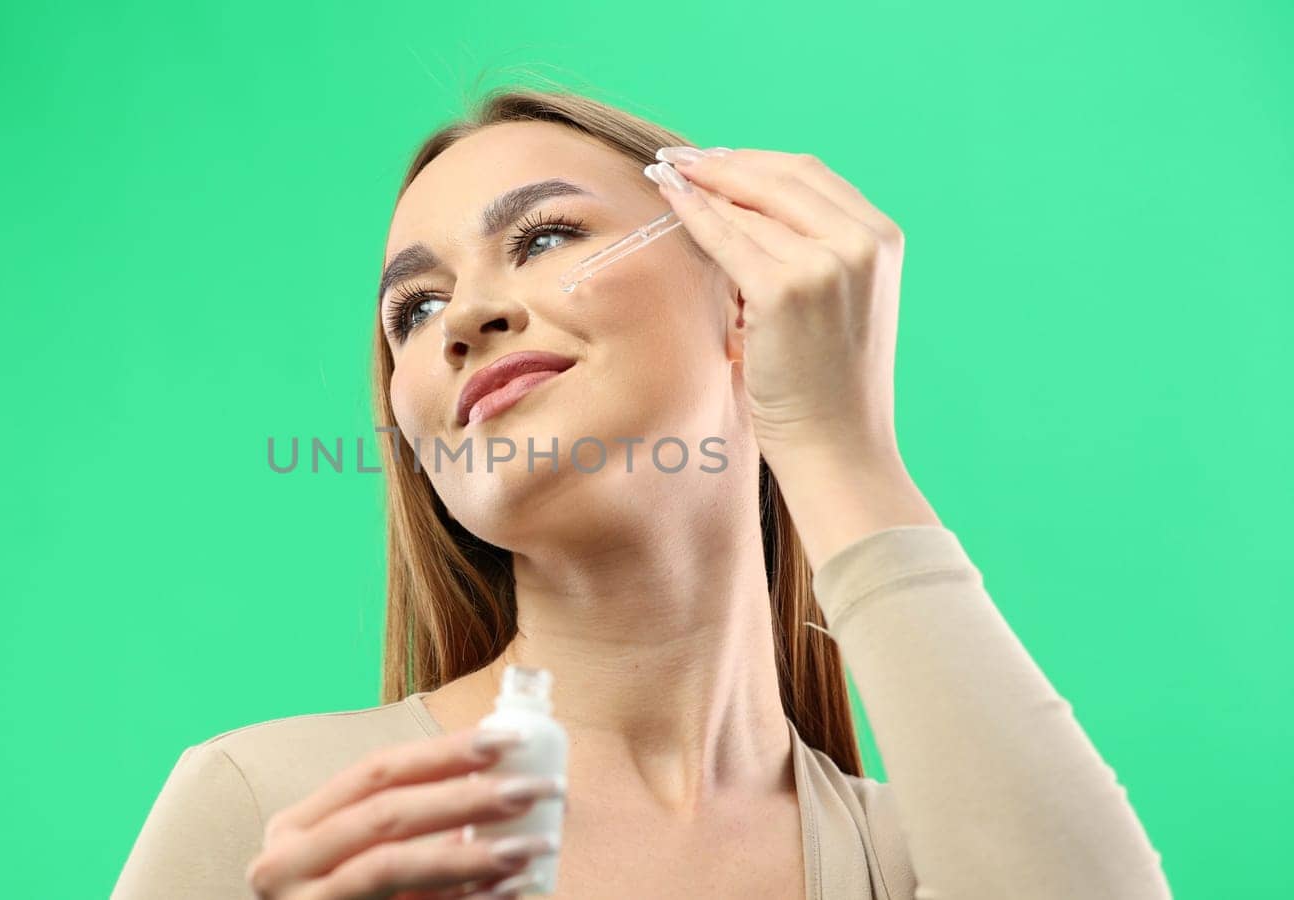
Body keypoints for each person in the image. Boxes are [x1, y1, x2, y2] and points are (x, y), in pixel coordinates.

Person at [112, 89, 1172, 899]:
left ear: (740, 287)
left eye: (544, 237)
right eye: (414, 309)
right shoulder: (268, 810)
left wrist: (839, 447)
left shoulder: (929, 856)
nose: (463, 319)